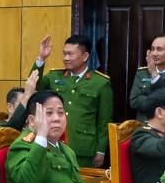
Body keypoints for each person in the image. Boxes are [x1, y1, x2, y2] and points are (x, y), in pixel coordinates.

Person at [5, 91, 97, 183]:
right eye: (48, 113)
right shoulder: (22, 146)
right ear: (32, 121)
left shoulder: (66, 150)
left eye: (60, 113)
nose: (56, 118)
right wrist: (41, 136)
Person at [30, 34, 113, 167]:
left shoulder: (100, 83)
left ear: (85, 56)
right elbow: (33, 84)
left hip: (82, 148)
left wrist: (101, 151)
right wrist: (41, 58)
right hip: (54, 143)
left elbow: (104, 121)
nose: (65, 58)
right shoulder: (54, 76)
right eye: (64, 54)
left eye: (70, 54)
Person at [129, 34, 165, 121]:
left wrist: (154, 74)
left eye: (159, 49)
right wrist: (160, 100)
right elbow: (134, 102)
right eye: (152, 49)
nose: (154, 53)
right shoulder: (142, 72)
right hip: (144, 128)